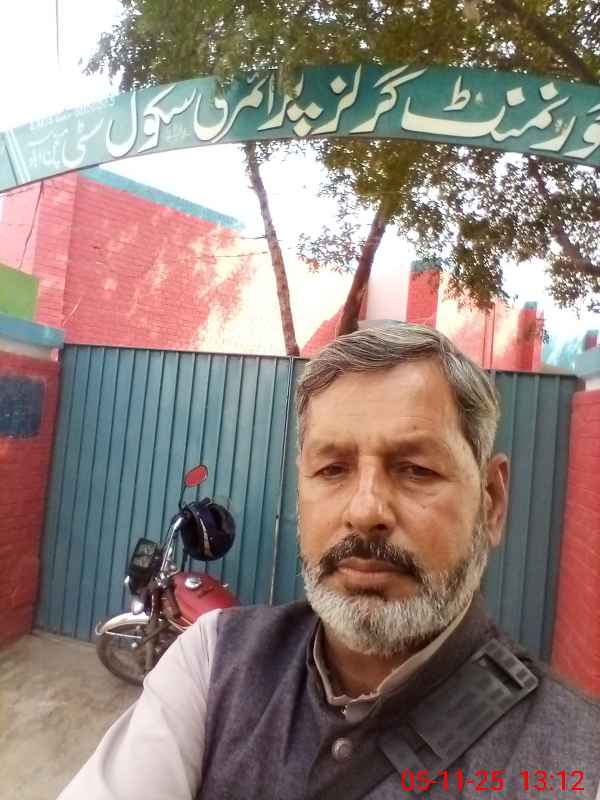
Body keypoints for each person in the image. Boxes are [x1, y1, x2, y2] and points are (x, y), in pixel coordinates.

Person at [58, 323, 600, 800]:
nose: (364, 512)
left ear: (492, 502)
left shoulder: (578, 762)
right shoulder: (211, 663)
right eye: (333, 469)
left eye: (415, 469)